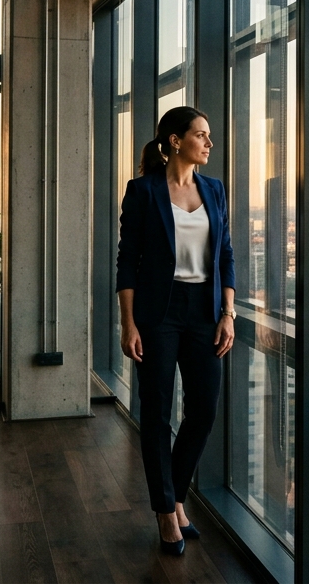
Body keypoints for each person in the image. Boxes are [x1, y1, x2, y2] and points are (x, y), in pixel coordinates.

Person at [116, 106, 235, 556]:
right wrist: (128, 323)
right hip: (158, 314)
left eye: (208, 135)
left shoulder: (214, 189)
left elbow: (226, 254)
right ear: (174, 141)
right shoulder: (144, 191)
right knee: (157, 412)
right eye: (201, 135)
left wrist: (228, 313)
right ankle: (167, 513)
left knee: (203, 409)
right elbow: (128, 261)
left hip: (205, 311)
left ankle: (176, 496)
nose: (208, 143)